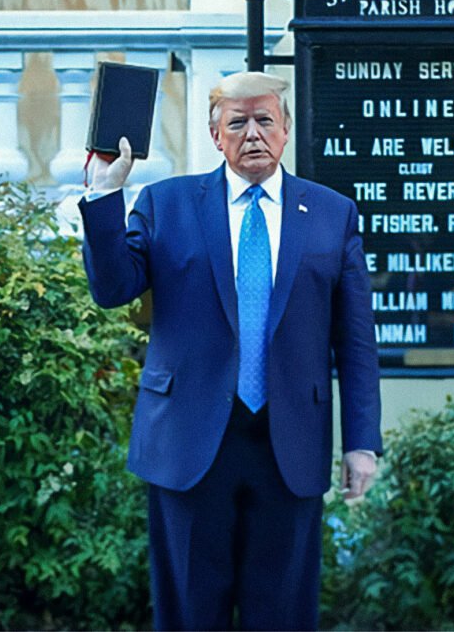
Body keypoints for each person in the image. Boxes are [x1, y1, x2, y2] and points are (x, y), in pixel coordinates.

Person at [78, 71, 382, 631]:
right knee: (191, 614)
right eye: (237, 122)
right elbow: (112, 289)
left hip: (288, 444)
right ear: (216, 136)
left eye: (265, 120)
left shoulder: (333, 214)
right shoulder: (165, 204)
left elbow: (356, 341)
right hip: (189, 443)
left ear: (286, 130)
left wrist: (361, 442)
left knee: (283, 615)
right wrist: (104, 194)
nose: (253, 134)